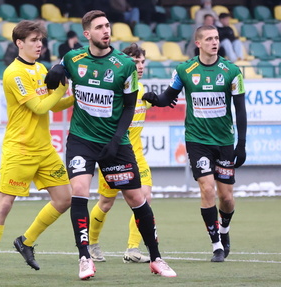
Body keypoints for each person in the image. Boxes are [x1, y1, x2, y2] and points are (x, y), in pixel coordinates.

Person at [45, 10, 176, 279]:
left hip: (114, 141)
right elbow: (59, 66)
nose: (106, 31)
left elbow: (129, 107)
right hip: (81, 139)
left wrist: (116, 140)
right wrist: (55, 68)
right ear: (87, 34)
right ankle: (84, 259)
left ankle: (156, 258)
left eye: (108, 26)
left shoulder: (124, 65)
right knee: (79, 191)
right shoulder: (74, 58)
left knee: (136, 198)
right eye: (100, 27)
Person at [0, 20, 73, 279]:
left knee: (64, 199)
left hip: (44, 149)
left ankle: (26, 241)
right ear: (19, 43)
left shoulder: (40, 68)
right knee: (5, 203)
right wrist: (63, 88)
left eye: (40, 40)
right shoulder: (14, 73)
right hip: (19, 149)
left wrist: (76, 97)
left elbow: (51, 105)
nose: (39, 44)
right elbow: (39, 108)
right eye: (33, 40)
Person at [142, 24, 247, 262]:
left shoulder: (232, 71)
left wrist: (241, 144)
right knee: (207, 188)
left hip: (224, 142)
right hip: (196, 140)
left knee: (227, 197)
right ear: (198, 43)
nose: (214, 42)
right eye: (209, 38)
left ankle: (224, 230)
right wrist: (154, 99)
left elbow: (240, 109)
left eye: (217, 38)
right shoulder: (184, 69)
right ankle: (216, 246)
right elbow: (168, 97)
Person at [88, 43, 151, 264]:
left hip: (138, 157)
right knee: (106, 203)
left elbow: (158, 101)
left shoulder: (142, 90)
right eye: (135, 62)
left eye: (143, 62)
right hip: (114, 156)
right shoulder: (114, 90)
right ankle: (91, 243)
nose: (140, 66)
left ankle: (132, 249)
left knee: (144, 198)